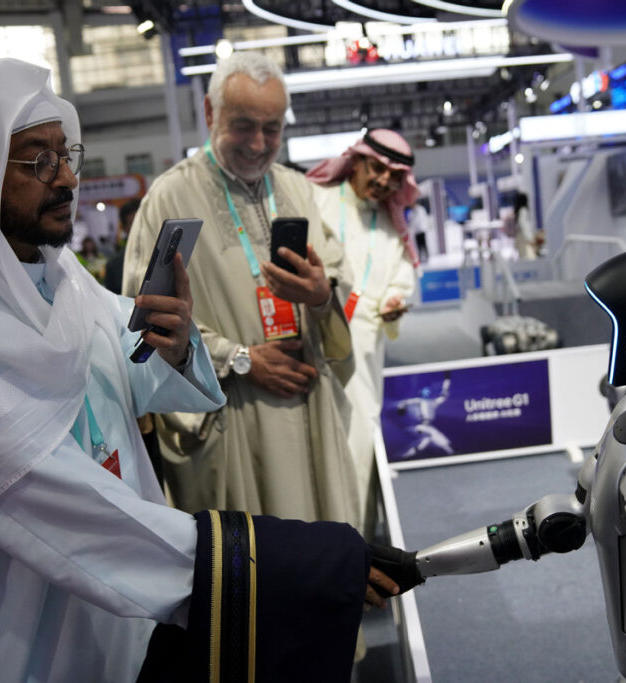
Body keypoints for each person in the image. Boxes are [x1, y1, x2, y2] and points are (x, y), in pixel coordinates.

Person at [0, 58, 395, 683]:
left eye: (66, 152)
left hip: (117, 607)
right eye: (38, 161)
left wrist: (177, 344)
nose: (69, 177)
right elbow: (80, 517)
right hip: (9, 635)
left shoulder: (63, 279)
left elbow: (131, 362)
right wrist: (288, 565)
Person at [123, 52, 361, 529]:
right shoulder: (170, 199)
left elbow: (339, 281)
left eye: (271, 128)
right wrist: (238, 358)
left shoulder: (296, 190)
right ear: (211, 115)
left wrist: (320, 295)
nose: (258, 144)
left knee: (322, 560)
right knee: (253, 578)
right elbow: (145, 321)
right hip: (235, 420)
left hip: (311, 408)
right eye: (243, 125)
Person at [306, 129, 419, 535]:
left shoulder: (392, 226)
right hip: (310, 340)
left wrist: (394, 300)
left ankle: (353, 541)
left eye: (394, 176)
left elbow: (403, 277)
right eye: (378, 168)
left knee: (357, 444)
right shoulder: (314, 200)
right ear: (356, 160)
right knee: (308, 446)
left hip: (364, 351)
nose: (385, 181)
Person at [104, 198, 141, 294]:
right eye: (133, 224)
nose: (141, 229)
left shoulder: (166, 255)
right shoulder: (114, 266)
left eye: (143, 222)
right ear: (124, 228)